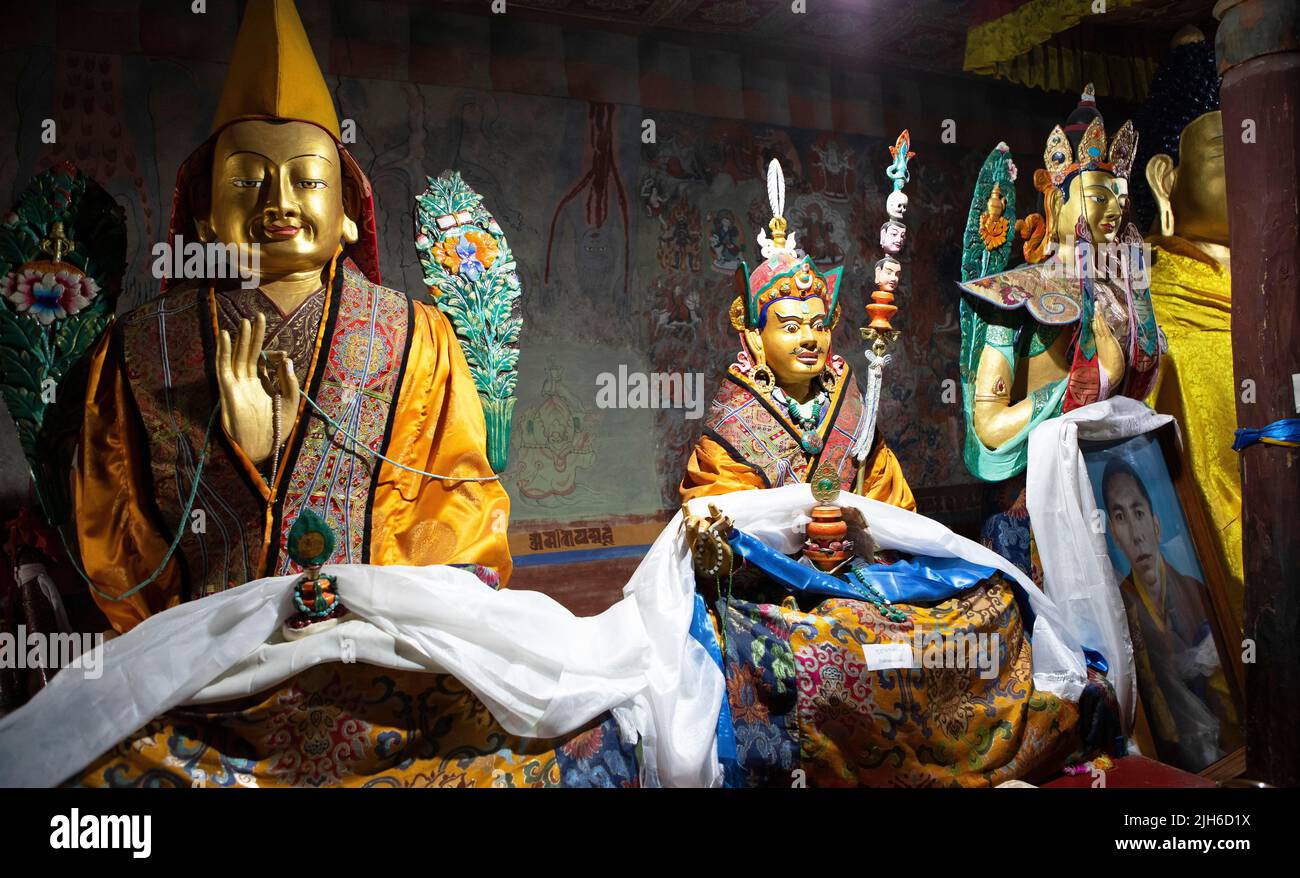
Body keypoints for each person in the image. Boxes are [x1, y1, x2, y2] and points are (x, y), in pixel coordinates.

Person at [1100, 456, 1240, 770]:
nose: (1136, 534)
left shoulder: (1196, 591)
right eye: (1120, 517)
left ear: (1156, 524)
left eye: (1138, 512)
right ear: (1113, 534)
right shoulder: (1118, 611)